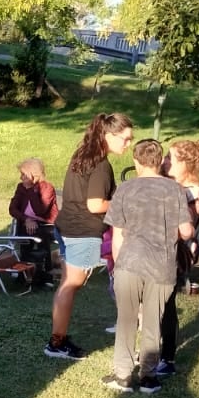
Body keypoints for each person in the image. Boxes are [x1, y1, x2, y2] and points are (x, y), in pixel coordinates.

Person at [103, 139, 194, 394]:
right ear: (159, 160)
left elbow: (117, 233)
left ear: (136, 161)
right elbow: (186, 231)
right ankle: (148, 376)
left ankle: (122, 375)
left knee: (127, 319)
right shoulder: (175, 190)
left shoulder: (125, 189)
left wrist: (115, 266)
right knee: (154, 320)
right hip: (162, 266)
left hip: (129, 262)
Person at [45, 112, 134, 360]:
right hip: (81, 231)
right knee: (71, 285)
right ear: (108, 135)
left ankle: (57, 338)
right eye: (125, 139)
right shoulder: (101, 165)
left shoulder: (83, 155)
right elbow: (95, 205)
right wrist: (121, 202)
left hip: (66, 227)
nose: (128, 144)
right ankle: (56, 342)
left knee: (66, 284)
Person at [156, 139, 199, 376]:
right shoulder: (174, 186)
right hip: (161, 250)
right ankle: (154, 349)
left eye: (170, 158)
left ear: (185, 164)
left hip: (175, 253)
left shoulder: (191, 192)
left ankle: (167, 357)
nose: (164, 162)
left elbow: (182, 228)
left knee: (165, 305)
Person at [9, 157, 61, 279]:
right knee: (25, 231)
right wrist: (26, 219)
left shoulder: (47, 188)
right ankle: (25, 266)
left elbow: (41, 210)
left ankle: (45, 269)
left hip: (45, 224)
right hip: (27, 222)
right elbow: (13, 208)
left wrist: (31, 190)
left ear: (33, 175)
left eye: (23, 174)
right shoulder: (21, 187)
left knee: (39, 232)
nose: (21, 178)